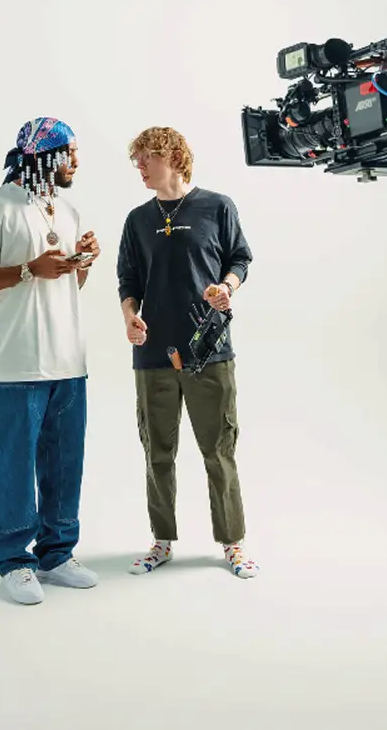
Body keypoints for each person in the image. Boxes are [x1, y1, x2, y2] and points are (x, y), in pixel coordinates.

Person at [0, 117, 102, 605]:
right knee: (11, 465)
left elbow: (68, 288)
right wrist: (25, 270)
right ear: (42, 155)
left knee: (65, 462)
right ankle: (15, 560)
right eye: (69, 153)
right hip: (14, 365)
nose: (76, 162)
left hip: (68, 360)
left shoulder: (67, 210)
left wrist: (81, 263)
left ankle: (57, 554)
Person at [116, 125, 259, 579]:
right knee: (157, 451)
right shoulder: (137, 220)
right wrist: (130, 317)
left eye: (145, 158)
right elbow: (128, 281)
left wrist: (227, 287)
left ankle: (232, 544)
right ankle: (162, 541)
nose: (139, 166)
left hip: (208, 351)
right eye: (136, 160)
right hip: (153, 354)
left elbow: (240, 258)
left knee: (219, 450)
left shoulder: (217, 206)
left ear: (173, 156)